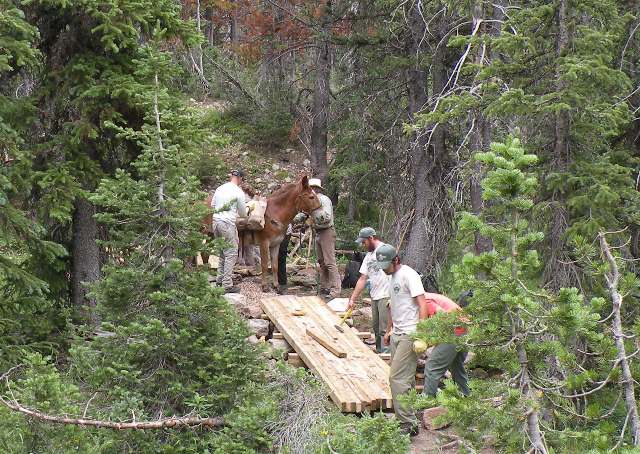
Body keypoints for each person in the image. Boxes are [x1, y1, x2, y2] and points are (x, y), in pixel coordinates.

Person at [374, 244, 428, 436]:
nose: (383, 268)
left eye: (385, 264)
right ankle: (409, 419)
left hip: (410, 334)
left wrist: (421, 333)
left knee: (396, 378)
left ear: (396, 260)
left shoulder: (409, 275)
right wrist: (389, 330)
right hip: (398, 333)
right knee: (406, 380)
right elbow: (392, 305)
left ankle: (406, 425)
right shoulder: (391, 277)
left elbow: (422, 304)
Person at [294, 178, 341, 298]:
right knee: (322, 262)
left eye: (313, 188)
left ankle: (336, 290)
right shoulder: (310, 201)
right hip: (318, 232)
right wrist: (297, 217)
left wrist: (312, 216)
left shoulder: (324, 200)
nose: (312, 190)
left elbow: (326, 217)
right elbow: (304, 214)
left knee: (330, 262)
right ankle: (325, 287)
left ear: (317, 189)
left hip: (327, 231)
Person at [347, 227, 391, 353]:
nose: (363, 245)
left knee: (384, 328)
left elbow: (394, 272)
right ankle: (379, 352)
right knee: (376, 328)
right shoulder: (369, 255)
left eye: (364, 242)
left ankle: (386, 355)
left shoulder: (385, 250)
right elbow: (362, 278)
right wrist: (352, 299)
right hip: (375, 295)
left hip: (386, 294)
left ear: (371, 238)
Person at [421, 292, 471, 397]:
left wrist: (431, 339)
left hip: (454, 331)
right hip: (464, 329)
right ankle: (465, 396)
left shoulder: (425, 300)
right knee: (457, 366)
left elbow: (443, 316)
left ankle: (427, 400)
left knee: (432, 366)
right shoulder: (429, 297)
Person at [211, 170, 247, 293]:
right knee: (231, 253)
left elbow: (212, 205)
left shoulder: (220, 188)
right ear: (240, 178)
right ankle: (227, 284)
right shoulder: (238, 192)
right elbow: (243, 213)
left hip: (215, 222)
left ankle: (219, 280)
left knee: (222, 252)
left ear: (231, 176)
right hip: (227, 223)